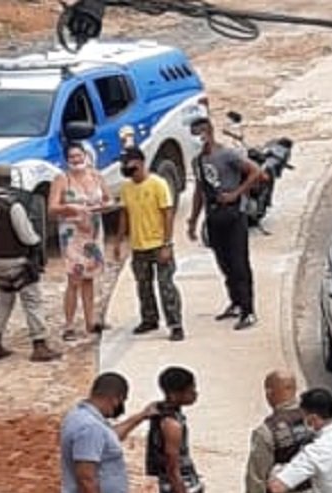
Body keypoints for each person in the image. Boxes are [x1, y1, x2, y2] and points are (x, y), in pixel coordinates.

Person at [0, 163, 60, 362]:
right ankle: (39, 344)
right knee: (32, 301)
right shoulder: (13, 205)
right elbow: (27, 237)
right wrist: (38, 246)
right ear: (10, 180)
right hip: (17, 261)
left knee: (4, 298)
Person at [185, 115, 263, 331]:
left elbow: (256, 172)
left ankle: (249, 311)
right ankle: (235, 302)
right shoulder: (198, 161)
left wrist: (236, 194)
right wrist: (193, 220)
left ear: (209, 132)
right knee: (224, 263)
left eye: (200, 133)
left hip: (233, 215)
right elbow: (199, 191)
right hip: (213, 216)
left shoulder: (227, 155)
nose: (197, 138)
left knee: (239, 263)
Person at [115, 145, 184, 342]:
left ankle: (175, 324)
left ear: (140, 163)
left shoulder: (158, 184)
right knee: (143, 286)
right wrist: (119, 241)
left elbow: (167, 214)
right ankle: (149, 318)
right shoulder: (126, 188)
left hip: (158, 243)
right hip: (138, 246)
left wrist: (167, 243)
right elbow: (124, 215)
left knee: (166, 285)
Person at [49, 141, 110, 342]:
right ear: (67, 160)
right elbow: (52, 208)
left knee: (89, 278)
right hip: (72, 234)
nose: (76, 160)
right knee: (74, 279)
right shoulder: (61, 179)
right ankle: (68, 325)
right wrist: (72, 209)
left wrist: (100, 206)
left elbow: (108, 199)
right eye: (72, 157)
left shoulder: (96, 176)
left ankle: (90, 321)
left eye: (79, 155)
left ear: (86, 155)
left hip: (93, 232)